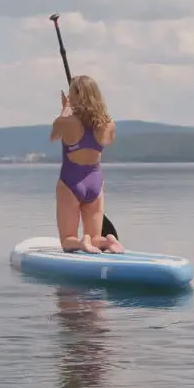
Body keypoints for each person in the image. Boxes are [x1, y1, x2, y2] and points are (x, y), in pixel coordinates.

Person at [49, 75, 125, 254]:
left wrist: (66, 109)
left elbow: (54, 135)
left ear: (75, 95)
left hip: (70, 182)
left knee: (67, 240)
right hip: (95, 183)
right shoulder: (109, 125)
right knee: (96, 236)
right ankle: (108, 241)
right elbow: (104, 140)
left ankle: (83, 243)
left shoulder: (66, 122)